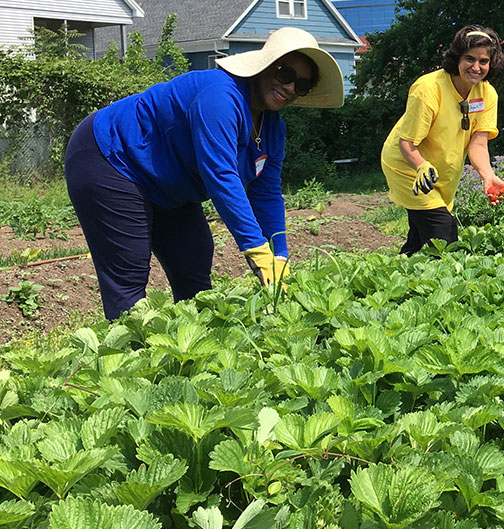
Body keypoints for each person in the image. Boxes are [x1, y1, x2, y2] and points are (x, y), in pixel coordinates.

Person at [65, 27, 344, 320]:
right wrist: (256, 249)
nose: (289, 88)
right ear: (264, 66)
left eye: (301, 85)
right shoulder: (220, 96)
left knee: (194, 257)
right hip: (111, 157)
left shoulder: (274, 128)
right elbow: (221, 175)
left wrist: (279, 256)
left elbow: (267, 192)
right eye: (285, 73)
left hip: (168, 181)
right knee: (130, 268)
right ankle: (126, 353)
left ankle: (194, 344)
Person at [381, 25, 504, 255]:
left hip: (440, 172)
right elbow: (407, 142)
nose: (476, 67)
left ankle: (395, 276)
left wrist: (488, 175)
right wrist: (421, 166)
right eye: (469, 58)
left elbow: (478, 143)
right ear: (457, 58)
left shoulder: (487, 94)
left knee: (421, 239)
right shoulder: (429, 89)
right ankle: (448, 285)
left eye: (483, 61)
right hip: (408, 166)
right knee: (444, 236)